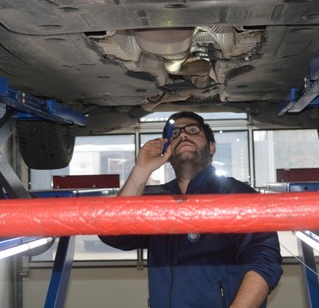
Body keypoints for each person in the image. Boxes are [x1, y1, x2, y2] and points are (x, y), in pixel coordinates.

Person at [99, 111, 283, 308]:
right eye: (175, 134)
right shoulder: (158, 203)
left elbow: (265, 261)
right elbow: (113, 234)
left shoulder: (235, 193)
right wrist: (142, 169)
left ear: (212, 147)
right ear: (167, 153)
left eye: (193, 130)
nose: (183, 135)